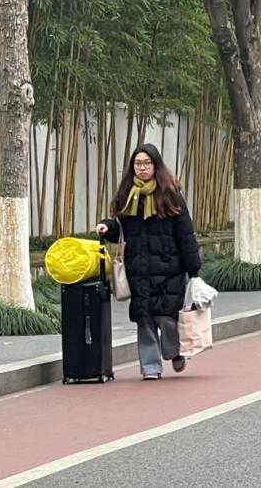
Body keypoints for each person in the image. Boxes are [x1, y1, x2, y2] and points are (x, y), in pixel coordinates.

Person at [95, 144, 201, 380]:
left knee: (167, 317)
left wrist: (193, 268)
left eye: (146, 163)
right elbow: (121, 228)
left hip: (168, 267)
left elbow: (185, 232)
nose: (142, 168)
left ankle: (173, 351)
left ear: (156, 165)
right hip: (139, 268)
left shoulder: (170, 193)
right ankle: (150, 367)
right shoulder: (127, 195)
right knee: (144, 319)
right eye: (138, 164)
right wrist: (107, 226)